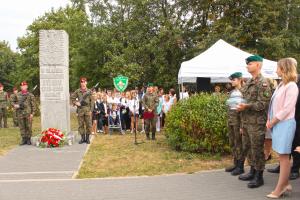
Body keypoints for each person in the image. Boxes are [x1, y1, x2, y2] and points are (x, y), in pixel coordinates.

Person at [237, 55, 272, 188]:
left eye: (250, 64)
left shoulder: (263, 82)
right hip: (246, 121)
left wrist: (246, 106)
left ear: (258, 65)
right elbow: (243, 96)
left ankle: (259, 176)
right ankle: (252, 171)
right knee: (249, 148)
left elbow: (263, 104)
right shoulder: (250, 82)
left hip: (257, 123)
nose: (247, 66)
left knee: (257, 149)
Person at [265, 58, 298, 198]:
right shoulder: (281, 85)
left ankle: (281, 188)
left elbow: (287, 109)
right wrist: (269, 119)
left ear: (284, 68)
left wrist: (272, 121)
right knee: (281, 156)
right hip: (277, 124)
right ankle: (285, 184)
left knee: (284, 158)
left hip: (285, 124)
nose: (276, 70)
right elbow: (273, 104)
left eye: (278, 67)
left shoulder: (292, 86)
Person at [225, 72, 245, 176]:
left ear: (239, 80)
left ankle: (240, 167)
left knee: (239, 143)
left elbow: (244, 110)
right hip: (231, 120)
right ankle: (235, 163)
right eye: (231, 80)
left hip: (238, 121)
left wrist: (242, 125)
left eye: (233, 80)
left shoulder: (244, 91)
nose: (232, 82)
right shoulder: (232, 92)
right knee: (232, 142)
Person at [71, 77, 93, 144]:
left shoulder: (89, 91)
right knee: (81, 125)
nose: (83, 83)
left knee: (89, 125)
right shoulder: (77, 91)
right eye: (81, 82)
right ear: (80, 83)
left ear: (86, 83)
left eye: (84, 82)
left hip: (87, 110)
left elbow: (92, 101)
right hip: (80, 110)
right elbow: (72, 97)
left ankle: (87, 138)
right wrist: (75, 102)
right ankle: (82, 138)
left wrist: (91, 110)